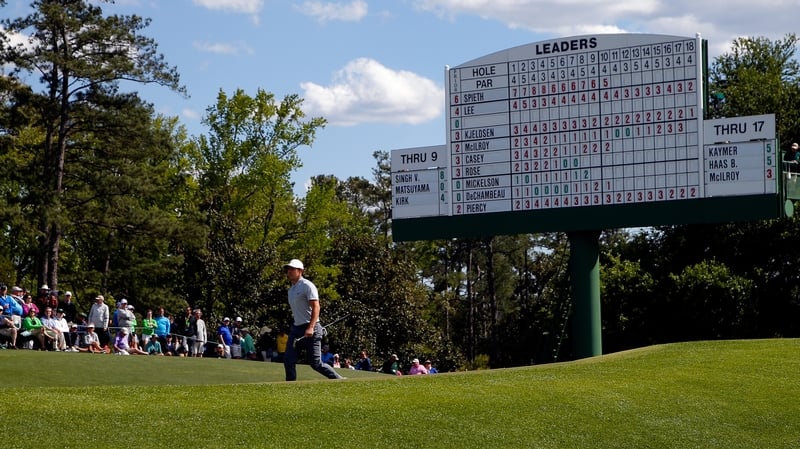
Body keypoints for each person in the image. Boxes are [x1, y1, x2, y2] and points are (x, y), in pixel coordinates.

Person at [282, 258, 343, 381]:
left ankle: (338, 380)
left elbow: (316, 306)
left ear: (300, 271)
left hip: (311, 327)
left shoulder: (307, 286)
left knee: (315, 363)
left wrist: (310, 327)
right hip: (296, 328)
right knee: (288, 359)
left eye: (292, 269)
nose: (289, 271)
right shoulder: (291, 290)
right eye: (288, 269)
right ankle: (289, 386)